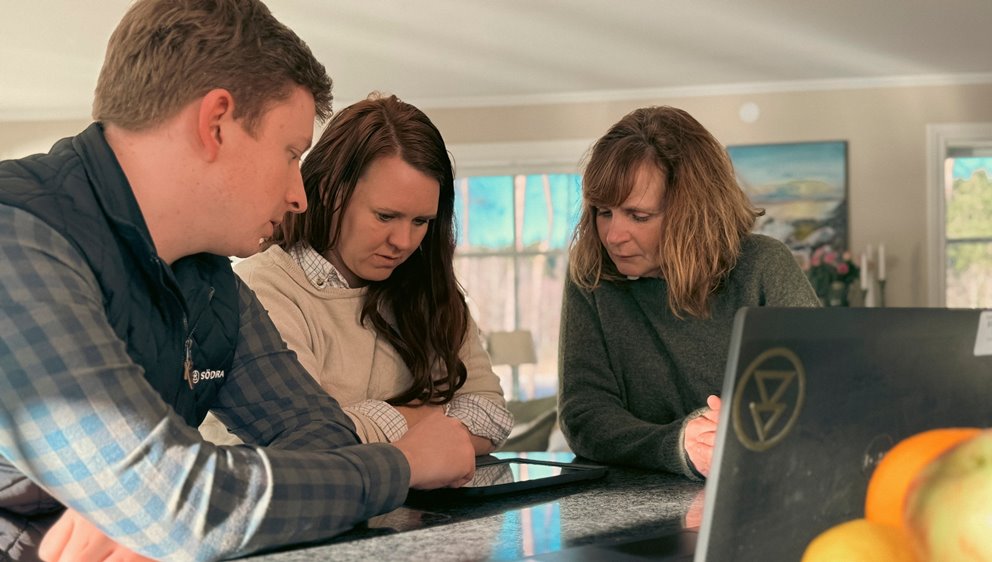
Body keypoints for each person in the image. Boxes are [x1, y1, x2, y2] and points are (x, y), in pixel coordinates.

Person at [0, 1, 475, 561]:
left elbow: (321, 436)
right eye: (291, 153)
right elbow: (172, 502)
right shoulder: (16, 241)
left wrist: (177, 504)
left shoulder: (209, 280)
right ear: (216, 124)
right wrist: (402, 464)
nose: (299, 196)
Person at [199, 93, 513, 453]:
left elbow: (492, 416)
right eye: (385, 216)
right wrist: (426, 417)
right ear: (331, 192)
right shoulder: (260, 290)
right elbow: (308, 446)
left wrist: (362, 423)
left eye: (421, 221)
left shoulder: (432, 291)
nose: (403, 242)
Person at [557, 106, 819, 480]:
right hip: (631, 497)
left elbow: (821, 394)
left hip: (762, 484)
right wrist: (678, 445)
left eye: (639, 216)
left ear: (692, 213)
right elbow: (584, 416)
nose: (613, 236)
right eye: (603, 212)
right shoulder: (590, 274)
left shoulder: (763, 265)